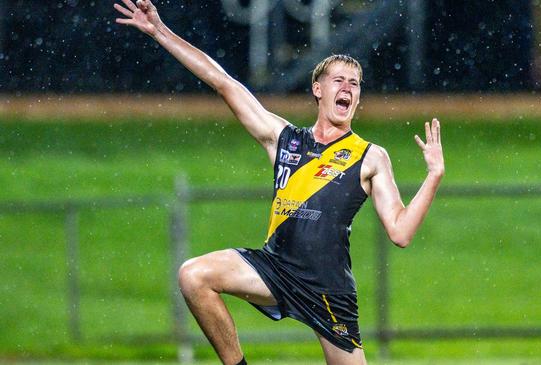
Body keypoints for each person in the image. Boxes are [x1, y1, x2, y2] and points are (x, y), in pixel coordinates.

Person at [114, 1, 445, 364]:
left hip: (327, 289)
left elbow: (400, 232)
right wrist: (160, 31)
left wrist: (433, 176)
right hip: (274, 270)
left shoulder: (370, 156)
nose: (348, 88)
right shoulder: (284, 138)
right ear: (318, 89)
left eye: (355, 84)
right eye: (339, 80)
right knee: (193, 276)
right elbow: (223, 82)